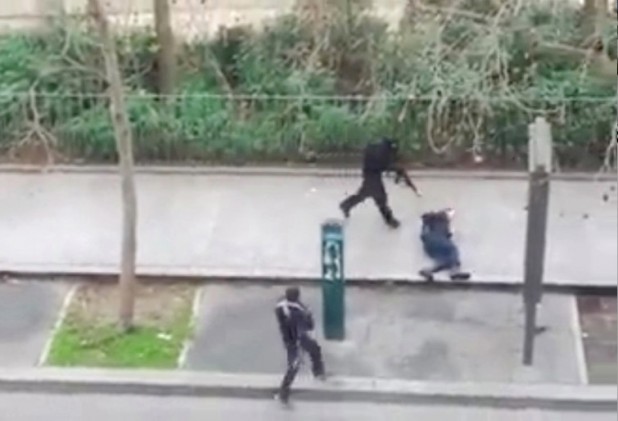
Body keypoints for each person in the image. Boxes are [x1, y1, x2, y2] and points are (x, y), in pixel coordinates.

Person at [339, 137, 422, 228]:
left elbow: (385, 165)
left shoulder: (382, 149)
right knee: (379, 197)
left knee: (367, 194)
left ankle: (346, 205)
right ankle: (389, 220)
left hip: (371, 173)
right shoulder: (383, 153)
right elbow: (384, 165)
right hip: (372, 174)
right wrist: (397, 170)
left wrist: (397, 170)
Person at [274, 287, 325, 404]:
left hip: (292, 338)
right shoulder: (299, 310)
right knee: (295, 364)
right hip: (296, 339)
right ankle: (283, 392)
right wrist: (308, 317)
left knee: (314, 349)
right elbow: (308, 325)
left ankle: (318, 372)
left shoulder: (282, 307)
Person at [419, 208, 471, 282]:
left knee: (446, 261)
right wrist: (451, 233)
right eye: (451, 214)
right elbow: (444, 233)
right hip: (436, 239)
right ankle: (454, 271)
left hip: (429, 244)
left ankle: (428, 271)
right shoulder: (442, 220)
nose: (451, 217)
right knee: (453, 250)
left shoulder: (430, 223)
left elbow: (424, 235)